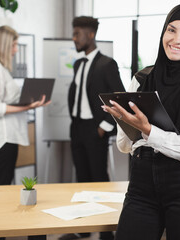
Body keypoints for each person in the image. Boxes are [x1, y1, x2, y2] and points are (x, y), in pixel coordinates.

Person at [102, 4, 180, 240]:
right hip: (141, 186)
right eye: (171, 30)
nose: (177, 40)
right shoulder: (142, 78)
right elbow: (125, 146)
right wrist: (123, 121)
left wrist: (148, 130)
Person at [0, 26, 50, 240]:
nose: (16, 50)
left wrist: (31, 102)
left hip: (6, 137)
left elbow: (7, 101)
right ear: (5, 45)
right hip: (1, 138)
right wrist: (28, 107)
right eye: (15, 45)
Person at [65, 16, 125, 240]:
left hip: (95, 129)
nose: (74, 38)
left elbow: (118, 99)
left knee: (99, 180)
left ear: (90, 35)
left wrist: (104, 126)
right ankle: (85, 227)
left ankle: (105, 233)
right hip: (77, 128)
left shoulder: (107, 64)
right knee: (81, 178)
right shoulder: (78, 63)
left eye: (77, 33)